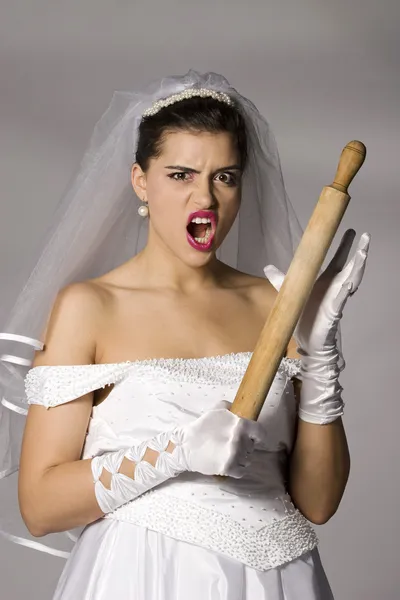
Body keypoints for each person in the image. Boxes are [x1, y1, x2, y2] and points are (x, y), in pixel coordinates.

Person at [0, 71, 370, 599]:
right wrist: (175, 450)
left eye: (225, 176)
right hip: (145, 575)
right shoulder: (91, 307)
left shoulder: (278, 304)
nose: (206, 197)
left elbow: (319, 501)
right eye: (180, 175)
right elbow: (39, 506)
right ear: (140, 180)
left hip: (280, 581)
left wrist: (321, 360)